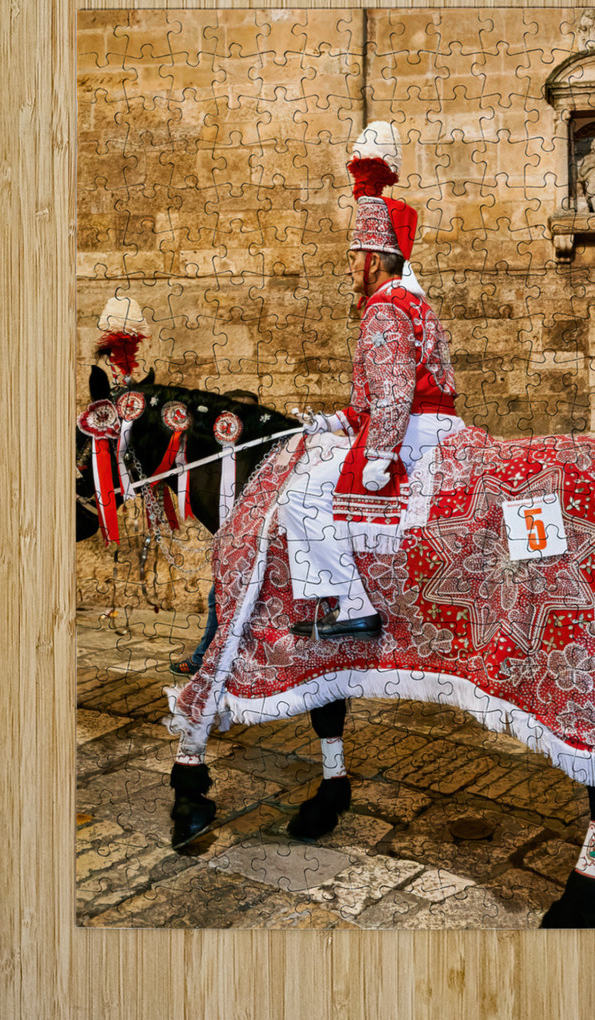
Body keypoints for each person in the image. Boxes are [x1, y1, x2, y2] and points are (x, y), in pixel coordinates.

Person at [280, 121, 464, 642]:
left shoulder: (384, 308)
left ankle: (353, 604)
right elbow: (371, 398)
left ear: (375, 260)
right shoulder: (413, 302)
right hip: (436, 425)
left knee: (299, 497)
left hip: (410, 432)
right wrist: (330, 422)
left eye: (353, 258)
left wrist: (378, 456)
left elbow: (394, 396)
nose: (348, 268)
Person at [169, 388, 260, 676]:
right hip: (237, 545)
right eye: (235, 411)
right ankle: (210, 657)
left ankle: (204, 659)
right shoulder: (213, 454)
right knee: (219, 597)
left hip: (259, 542)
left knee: (219, 596)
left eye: (249, 412)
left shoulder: (264, 450)